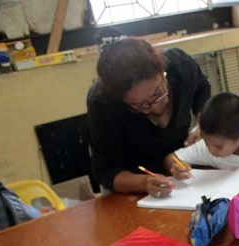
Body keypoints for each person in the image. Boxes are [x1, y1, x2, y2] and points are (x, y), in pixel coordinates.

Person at [87, 37, 211, 197]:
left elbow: (202, 88)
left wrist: (202, 124)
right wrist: (143, 183)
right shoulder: (103, 103)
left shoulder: (181, 67)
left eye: (158, 93)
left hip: (180, 171)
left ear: (162, 71)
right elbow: (106, 170)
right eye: (139, 105)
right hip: (133, 187)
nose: (155, 106)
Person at [167, 92, 239, 177]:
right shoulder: (210, 145)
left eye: (218, 147)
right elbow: (171, 157)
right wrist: (176, 167)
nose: (210, 150)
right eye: (206, 142)